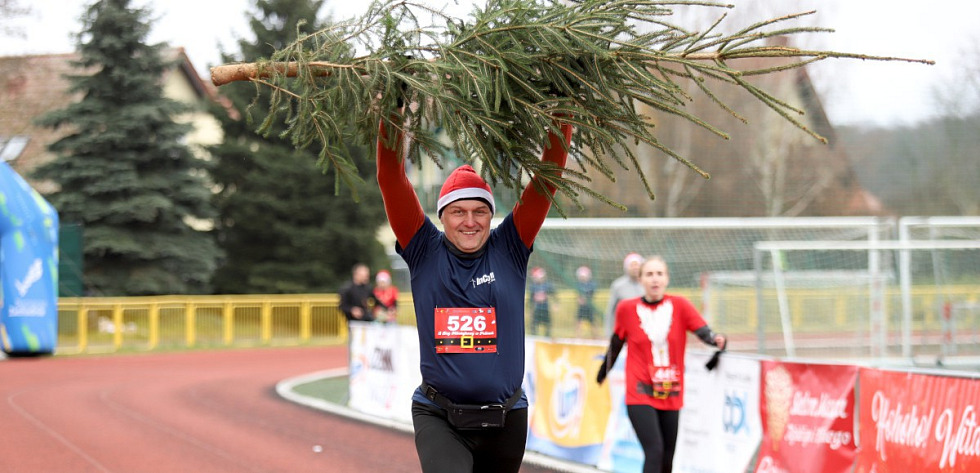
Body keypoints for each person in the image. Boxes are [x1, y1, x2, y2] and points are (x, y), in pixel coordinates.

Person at [376, 115, 574, 473]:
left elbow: (548, 177)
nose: (470, 221)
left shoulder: (510, 246)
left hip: (507, 418)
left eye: (480, 211)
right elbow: (391, 177)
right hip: (439, 416)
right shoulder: (423, 248)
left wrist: (563, 110)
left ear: (491, 214)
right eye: (458, 212)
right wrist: (394, 105)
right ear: (442, 216)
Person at [596, 256, 727, 473]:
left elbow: (704, 331)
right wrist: (602, 373)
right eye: (649, 274)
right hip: (639, 392)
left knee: (667, 458)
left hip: (671, 391)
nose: (655, 279)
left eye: (659, 274)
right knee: (654, 450)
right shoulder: (626, 309)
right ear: (640, 280)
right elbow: (616, 344)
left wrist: (716, 339)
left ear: (667, 278)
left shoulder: (680, 305)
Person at [603, 252, 645, 337]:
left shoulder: (647, 284)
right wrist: (609, 332)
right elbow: (610, 310)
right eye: (632, 265)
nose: (635, 268)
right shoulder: (618, 285)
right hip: (624, 333)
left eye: (637, 265)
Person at [527, 266, 555, 337]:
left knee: (547, 325)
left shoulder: (547, 285)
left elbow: (553, 295)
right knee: (534, 325)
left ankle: (547, 337)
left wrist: (554, 304)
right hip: (537, 309)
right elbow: (531, 299)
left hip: (545, 309)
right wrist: (530, 310)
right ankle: (534, 337)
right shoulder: (533, 286)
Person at [574, 265, 599, 338]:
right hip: (581, 307)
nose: (583, 277)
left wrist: (585, 298)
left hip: (589, 307)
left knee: (593, 322)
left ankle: (596, 336)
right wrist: (579, 299)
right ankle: (578, 336)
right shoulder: (578, 285)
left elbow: (592, 293)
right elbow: (577, 296)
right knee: (579, 321)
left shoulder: (592, 284)